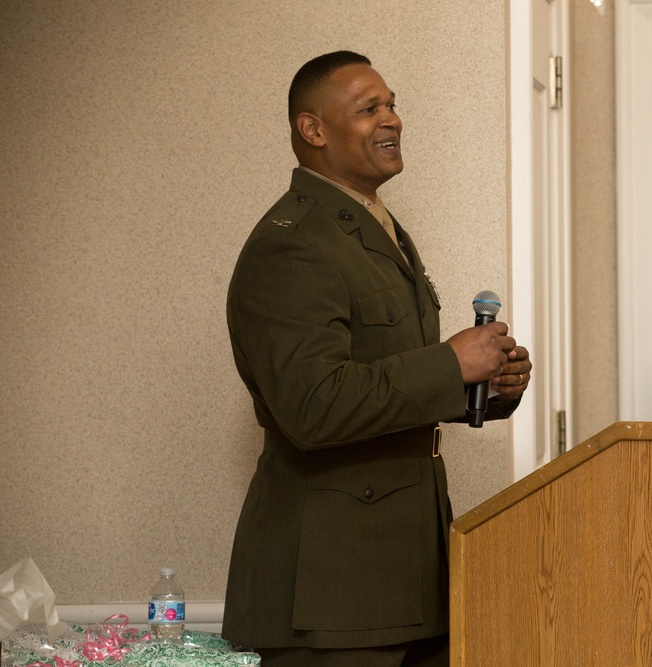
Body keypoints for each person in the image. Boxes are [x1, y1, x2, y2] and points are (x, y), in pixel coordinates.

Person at [221, 51, 532, 667]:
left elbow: (389, 382)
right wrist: (451, 365)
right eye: (370, 109)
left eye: (392, 104)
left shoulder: (371, 229)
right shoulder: (293, 246)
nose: (392, 119)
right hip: (333, 594)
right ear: (314, 131)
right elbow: (312, 407)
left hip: (405, 577)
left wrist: (488, 385)